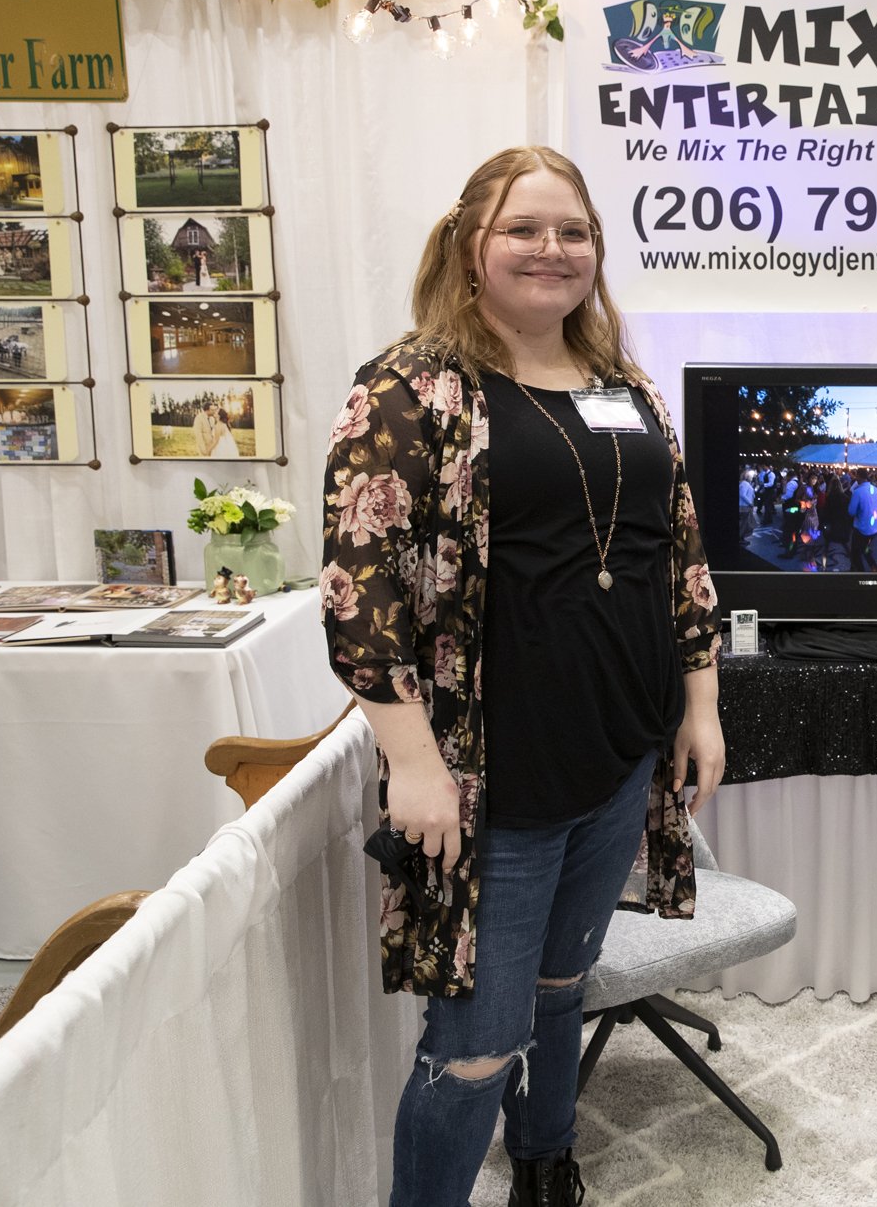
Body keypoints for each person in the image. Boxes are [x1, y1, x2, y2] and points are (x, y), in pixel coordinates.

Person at [320, 146, 724, 1207]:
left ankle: (546, 1161)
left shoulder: (620, 382)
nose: (553, 249)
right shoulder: (411, 388)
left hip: (619, 752)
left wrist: (701, 703)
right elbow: (358, 590)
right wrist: (411, 760)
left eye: (573, 231)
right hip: (491, 775)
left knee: (561, 982)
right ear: (470, 247)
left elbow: (678, 548)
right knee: (473, 1044)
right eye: (524, 229)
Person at [847, 470, 877, 572]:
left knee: (855, 554)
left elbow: (851, 512)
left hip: (860, 529)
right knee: (865, 550)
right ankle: (873, 570)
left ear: (859, 476)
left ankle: (861, 573)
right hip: (873, 529)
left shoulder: (858, 492)